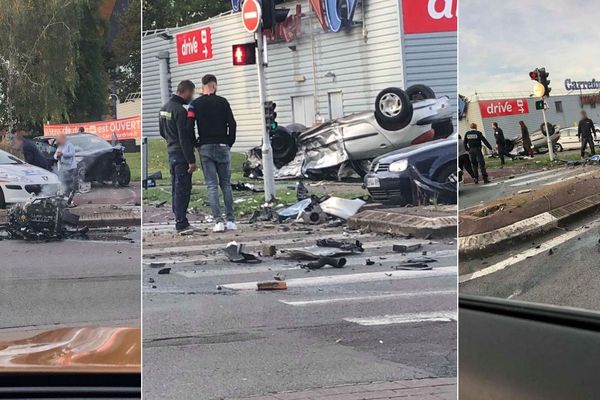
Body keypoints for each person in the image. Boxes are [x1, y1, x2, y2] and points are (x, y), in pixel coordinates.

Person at [190, 74, 237, 232]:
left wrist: (196, 143)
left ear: (202, 86)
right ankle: (231, 220)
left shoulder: (195, 104)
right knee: (226, 184)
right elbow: (232, 123)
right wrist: (229, 142)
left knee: (212, 185)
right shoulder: (223, 102)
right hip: (223, 145)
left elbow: (189, 126)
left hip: (205, 147)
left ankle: (218, 221)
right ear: (214, 85)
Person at [159, 80, 197, 233]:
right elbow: (184, 138)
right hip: (181, 154)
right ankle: (181, 223)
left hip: (171, 152)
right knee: (183, 188)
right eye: (191, 93)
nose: (191, 97)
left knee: (176, 187)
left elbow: (162, 132)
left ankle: (178, 218)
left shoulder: (164, 109)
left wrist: (170, 139)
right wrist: (191, 161)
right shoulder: (180, 110)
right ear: (185, 91)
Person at [54, 132, 78, 205]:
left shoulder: (69, 145)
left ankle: (69, 197)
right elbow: (55, 155)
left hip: (69, 167)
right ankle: (65, 197)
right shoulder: (60, 146)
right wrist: (57, 156)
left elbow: (72, 154)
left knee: (68, 182)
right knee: (63, 182)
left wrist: (63, 154)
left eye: (59, 139)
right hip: (62, 167)